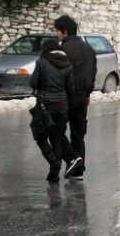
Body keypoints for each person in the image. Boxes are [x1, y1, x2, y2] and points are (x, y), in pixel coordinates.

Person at [29, 39, 83, 183]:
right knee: (57, 138)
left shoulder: (41, 62)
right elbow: (71, 89)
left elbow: (33, 83)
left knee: (39, 135)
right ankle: (54, 174)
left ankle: (54, 163)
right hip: (62, 106)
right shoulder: (67, 64)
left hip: (45, 106)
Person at [55, 15, 97, 181]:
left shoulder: (62, 50)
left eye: (57, 30)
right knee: (78, 134)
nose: (56, 33)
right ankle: (77, 171)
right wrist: (88, 93)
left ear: (65, 31)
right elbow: (93, 72)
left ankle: (71, 159)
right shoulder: (89, 49)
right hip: (82, 97)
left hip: (65, 97)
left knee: (55, 129)